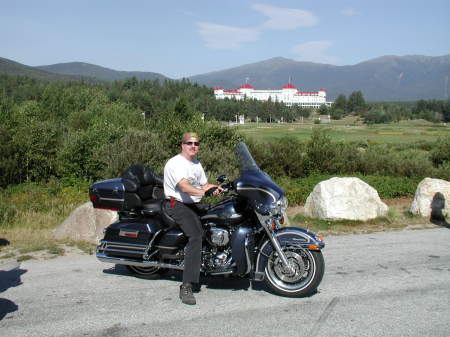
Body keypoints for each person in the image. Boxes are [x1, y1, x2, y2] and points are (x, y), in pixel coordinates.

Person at [163, 132, 221, 305]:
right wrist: (205, 192)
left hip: (191, 204)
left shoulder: (196, 163)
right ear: (182, 145)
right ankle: (187, 285)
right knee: (196, 236)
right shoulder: (176, 163)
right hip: (176, 204)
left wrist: (220, 188)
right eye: (189, 143)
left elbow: (204, 185)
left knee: (216, 216)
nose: (193, 146)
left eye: (196, 143)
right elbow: (184, 187)